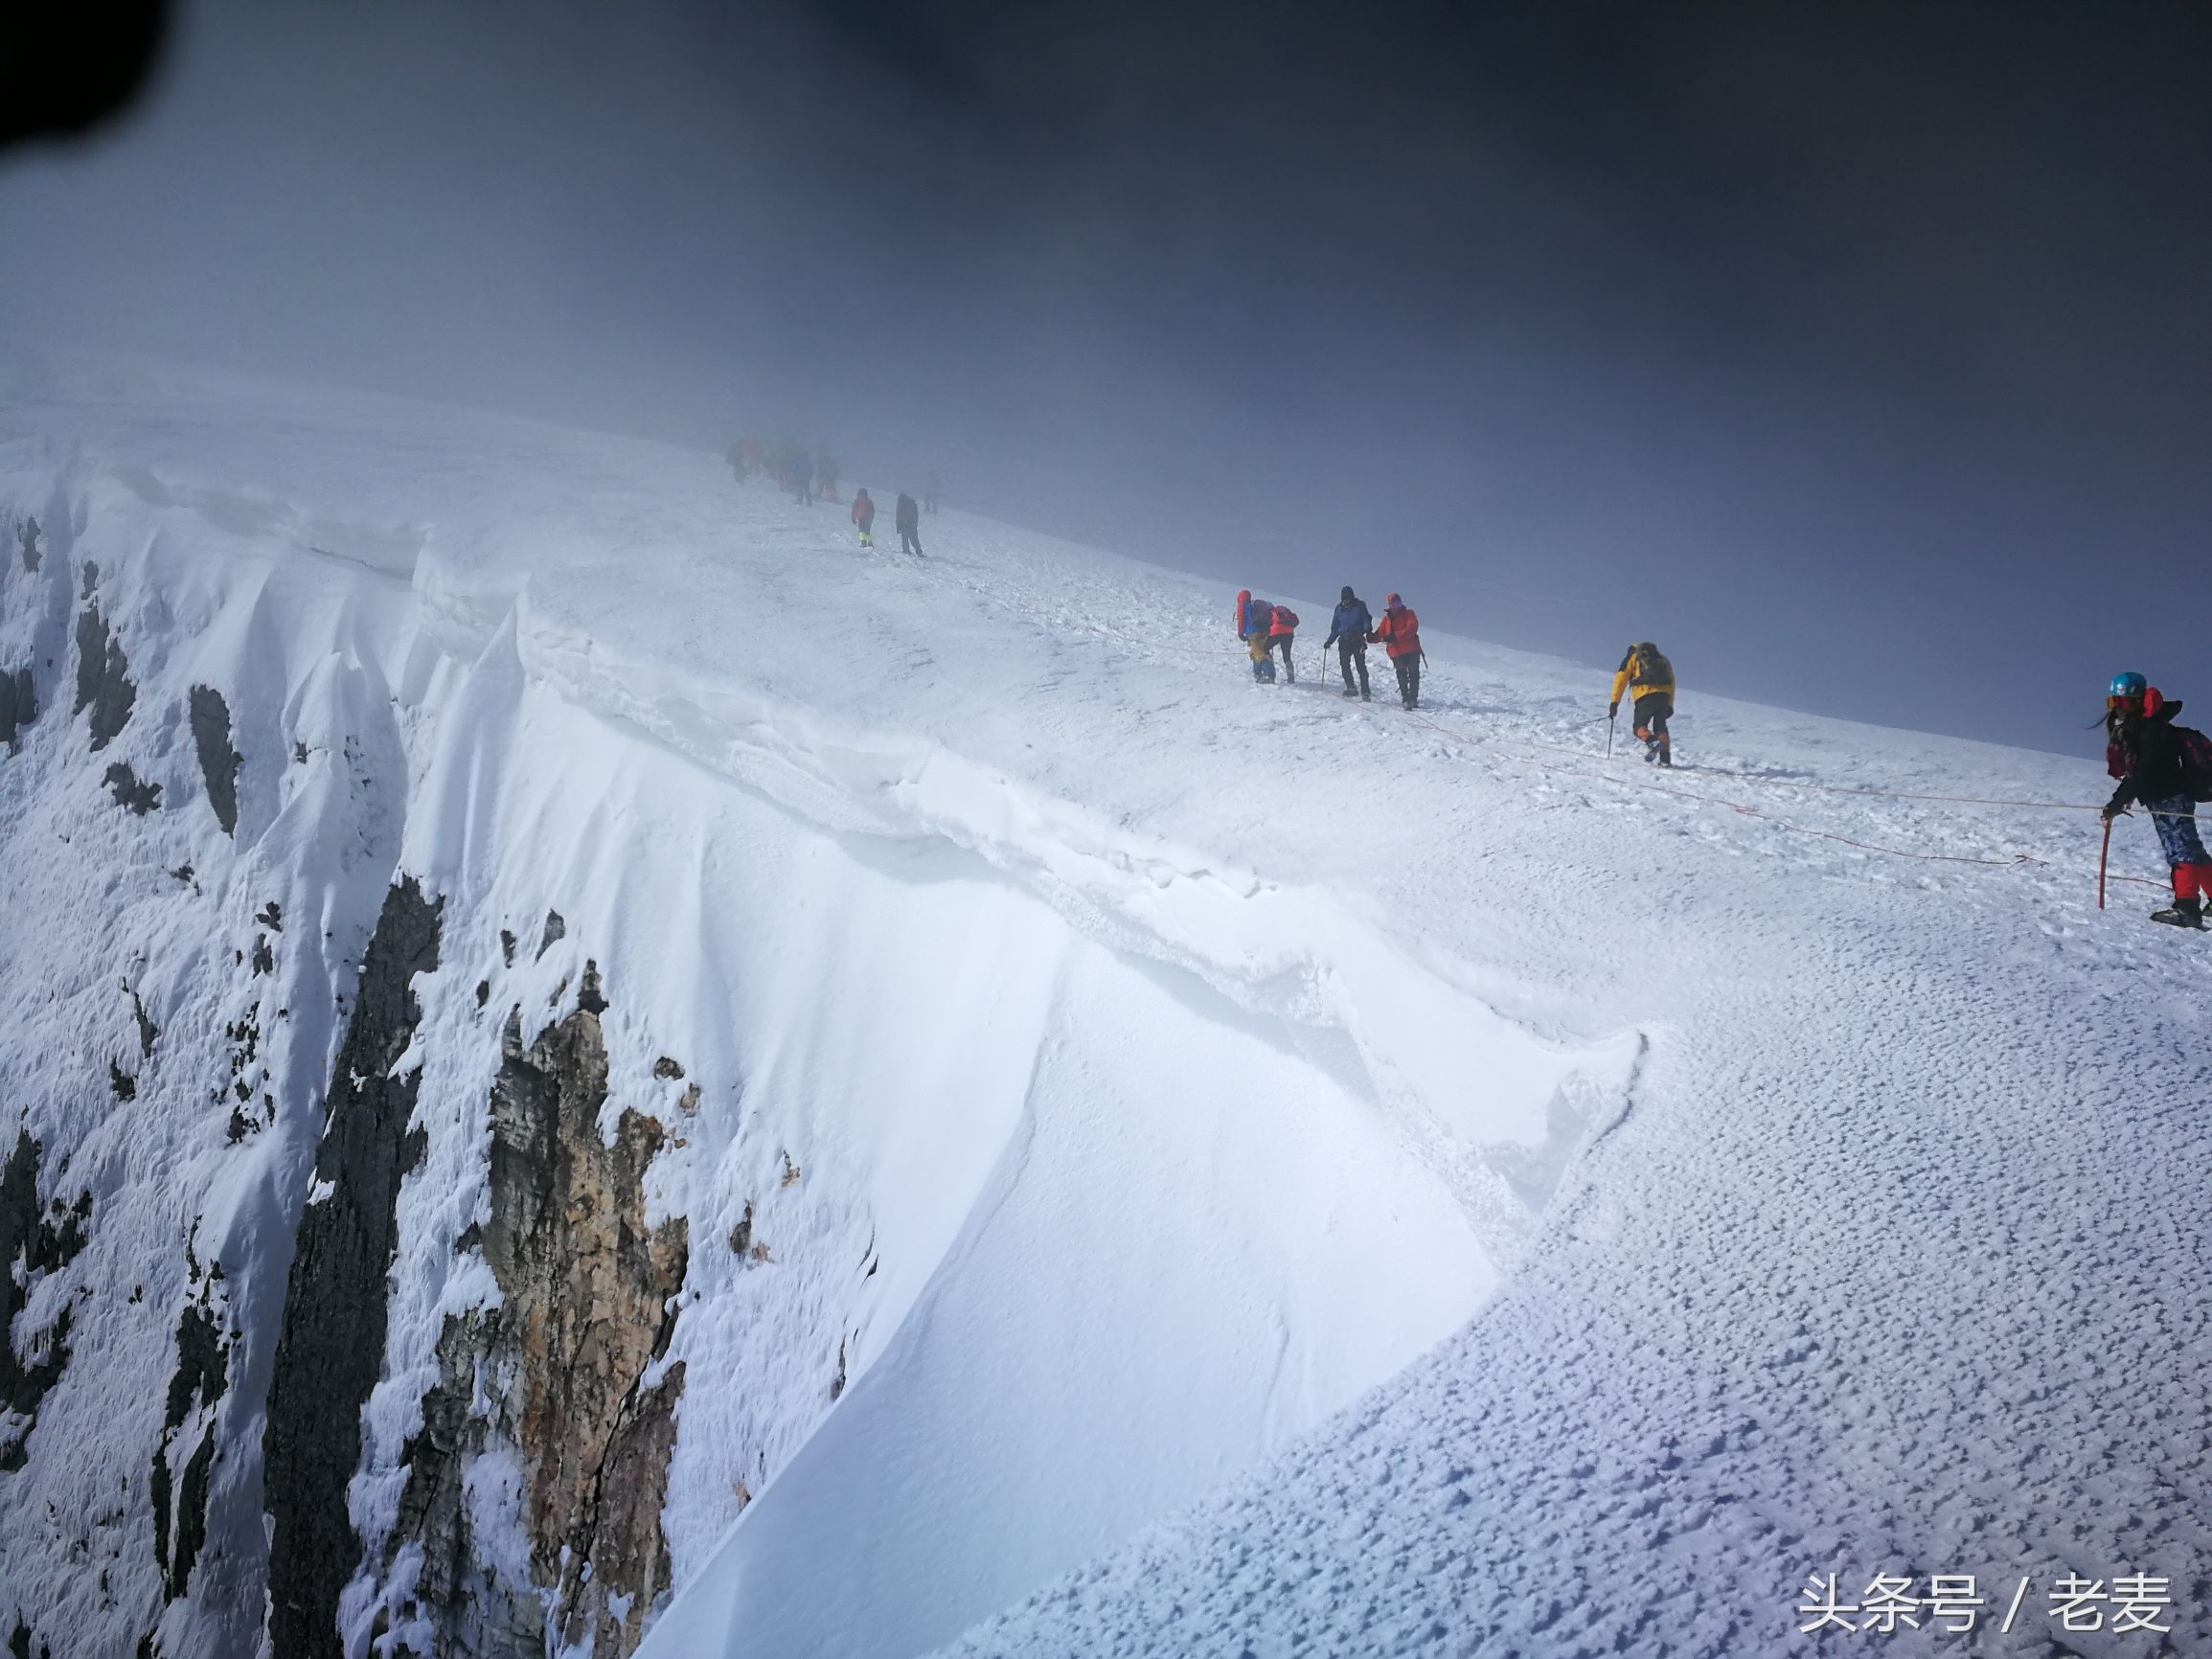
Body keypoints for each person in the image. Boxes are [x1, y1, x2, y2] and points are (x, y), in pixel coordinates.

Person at [2102, 672, 2212, 929]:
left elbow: (2144, 771)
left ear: (2140, 702)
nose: (2119, 708)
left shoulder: (2151, 729)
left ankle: (2187, 909)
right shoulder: (2147, 727)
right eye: (2114, 702)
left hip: (2169, 796)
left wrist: (2118, 802)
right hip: (2167, 795)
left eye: (2125, 703)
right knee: (2190, 848)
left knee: (2180, 850)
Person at [1610, 641, 1676, 767]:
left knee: (1639, 726)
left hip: (1645, 694)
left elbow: (1621, 678)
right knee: (1660, 727)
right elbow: (1672, 681)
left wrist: (1614, 702)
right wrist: (1670, 703)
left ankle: (1652, 742)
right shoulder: (1662, 660)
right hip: (1664, 696)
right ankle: (1665, 759)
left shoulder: (1633, 658)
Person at [1370, 593, 1422, 709]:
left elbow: (1411, 628)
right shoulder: (1386, 620)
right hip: (1396, 652)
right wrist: (1370, 638)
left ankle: (1413, 698)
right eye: (1393, 604)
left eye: (1398, 603)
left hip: (1412, 649)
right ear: (1389, 605)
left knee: (1414, 674)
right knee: (1401, 674)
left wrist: (1395, 636)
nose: (1396, 607)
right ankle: (1405, 698)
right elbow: (1380, 634)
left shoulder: (1409, 614)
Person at [1321, 586, 1373, 699]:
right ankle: (1351, 688)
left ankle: (1365, 690)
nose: (1347, 601)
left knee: (1361, 666)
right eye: (1345, 598)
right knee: (1344, 665)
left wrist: (1367, 628)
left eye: (1349, 598)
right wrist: (1329, 642)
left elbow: (1366, 619)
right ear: (1342, 598)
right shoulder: (1339, 609)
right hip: (1344, 641)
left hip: (1357, 640)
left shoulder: (1360, 606)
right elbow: (1335, 628)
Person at [1235, 590, 1276, 683]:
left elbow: (1241, 620)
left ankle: (1268, 675)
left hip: (1254, 632)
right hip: (1264, 632)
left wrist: (1240, 633)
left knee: (1259, 653)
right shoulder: (1254, 605)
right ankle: (1257, 673)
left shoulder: (1243, 605)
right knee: (1256, 652)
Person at [1266, 601, 1299, 683]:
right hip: (1289, 633)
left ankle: (1270, 671)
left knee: (1264, 649)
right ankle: (1291, 678)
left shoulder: (1271, 612)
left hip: (1277, 632)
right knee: (1287, 656)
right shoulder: (1283, 610)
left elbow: (1269, 624)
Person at [895, 491, 924, 557]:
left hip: (910, 524)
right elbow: (898, 515)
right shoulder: (900, 504)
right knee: (905, 538)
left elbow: (912, 515)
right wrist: (898, 525)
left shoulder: (910, 503)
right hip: (904, 524)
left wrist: (908, 522)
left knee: (913, 538)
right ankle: (906, 550)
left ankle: (918, 551)